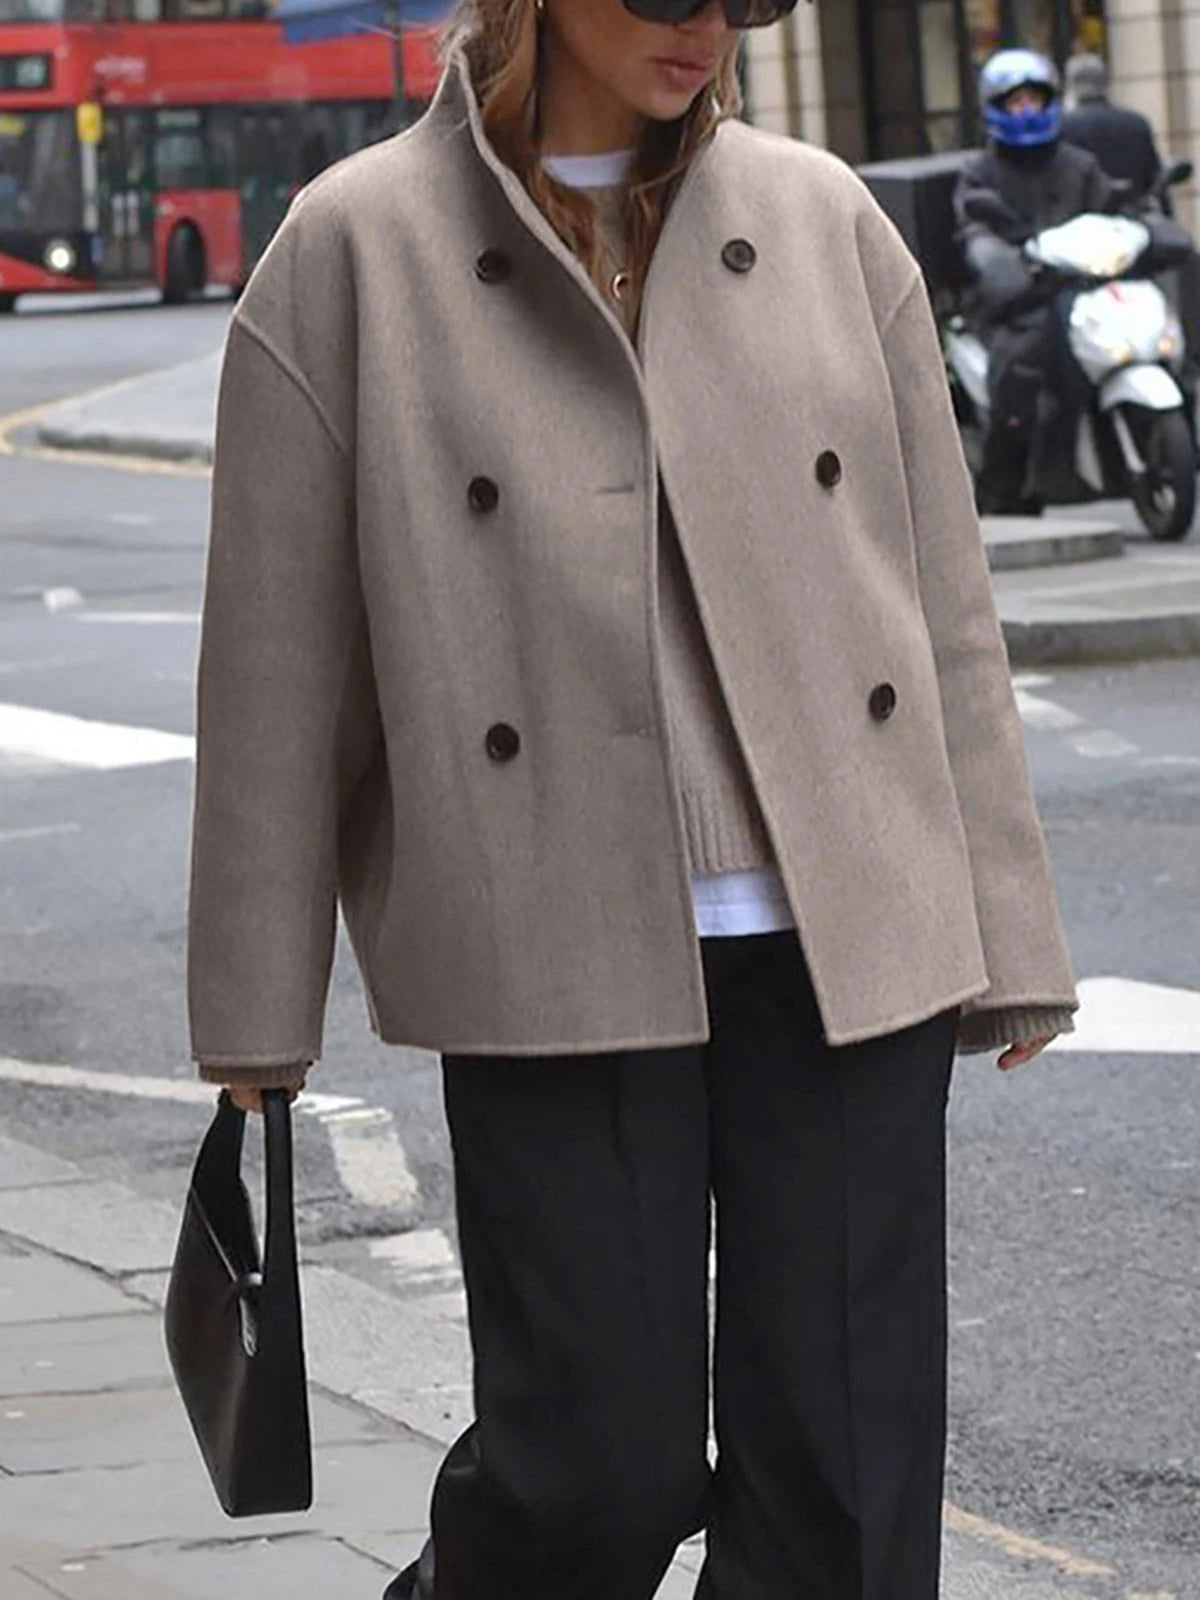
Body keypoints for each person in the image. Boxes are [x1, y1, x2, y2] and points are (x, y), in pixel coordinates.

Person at [188, 3, 1078, 1597]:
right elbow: (278, 656)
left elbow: (942, 605)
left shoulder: (824, 221)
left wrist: (1009, 930)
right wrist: (258, 1007)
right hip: (552, 943)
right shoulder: (356, 247)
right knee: (593, 1466)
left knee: (846, 1496)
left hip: (850, 931)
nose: (709, 29)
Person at [955, 48, 1113, 514]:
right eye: (1015, 102)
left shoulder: (1079, 165)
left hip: (1082, 287)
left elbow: (1111, 208)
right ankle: (1004, 481)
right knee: (1020, 363)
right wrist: (995, 257)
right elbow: (973, 227)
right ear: (995, 107)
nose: (1025, 110)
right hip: (1013, 299)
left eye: (1033, 100)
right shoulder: (980, 172)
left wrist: (1139, 225)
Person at [1063, 51, 1164, 207]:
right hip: (1133, 212)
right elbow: (1155, 179)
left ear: (1071, 86)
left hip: (1082, 214)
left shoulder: (1064, 126)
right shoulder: (1136, 123)